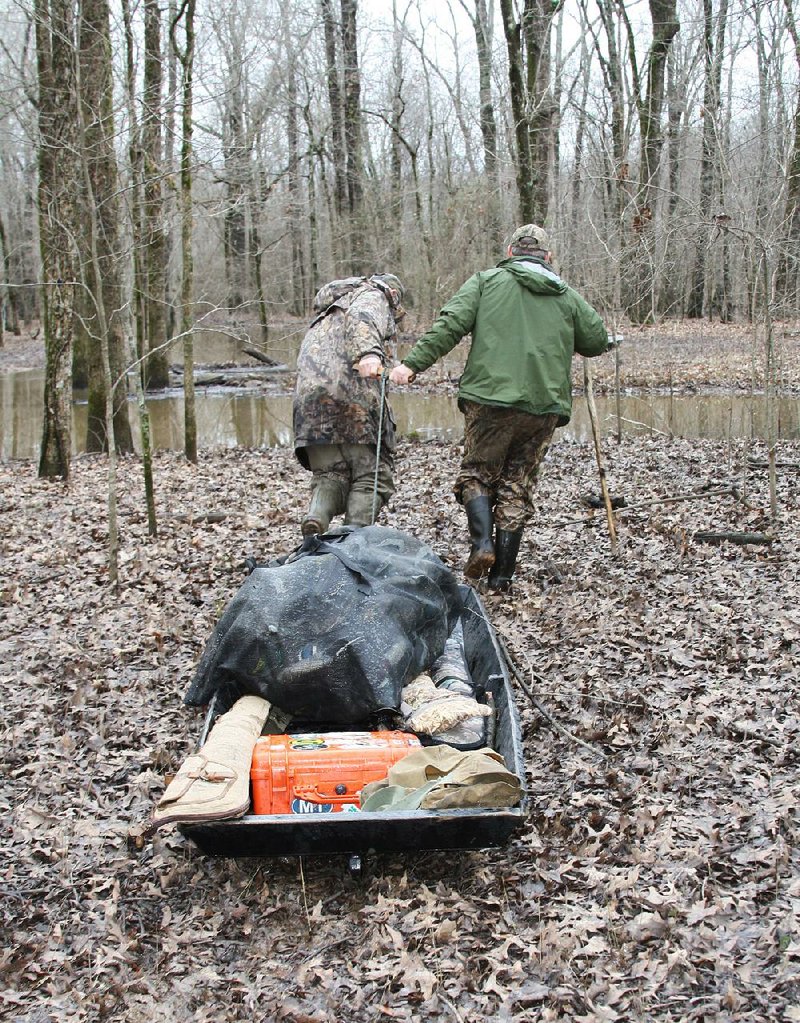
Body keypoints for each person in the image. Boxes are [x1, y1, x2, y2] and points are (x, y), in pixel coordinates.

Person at [386, 225, 612, 592]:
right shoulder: (565, 295)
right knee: (516, 485)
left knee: (476, 474)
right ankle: (502, 577)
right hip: (543, 406)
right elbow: (596, 340)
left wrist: (411, 365)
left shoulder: (485, 282)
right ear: (548, 258)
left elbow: (449, 326)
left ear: (510, 252)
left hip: (490, 400)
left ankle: (483, 544)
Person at [293, 272, 405, 537]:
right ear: (393, 294)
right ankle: (351, 541)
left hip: (309, 402)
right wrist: (369, 354)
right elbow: (363, 318)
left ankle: (317, 517)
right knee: (371, 476)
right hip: (352, 396)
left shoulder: (327, 313)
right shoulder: (372, 295)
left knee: (329, 474)